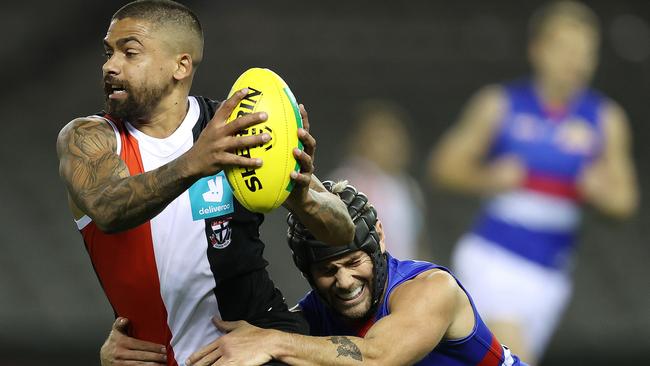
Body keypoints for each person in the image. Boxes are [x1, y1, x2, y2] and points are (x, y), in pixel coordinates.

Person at [55, 1, 354, 365]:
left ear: (180, 66)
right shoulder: (89, 138)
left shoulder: (235, 130)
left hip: (257, 345)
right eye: (108, 52)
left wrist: (300, 192)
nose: (110, 66)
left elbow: (341, 231)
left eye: (129, 52)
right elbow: (108, 208)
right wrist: (195, 163)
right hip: (154, 356)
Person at [427, 1, 639, 364]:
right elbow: (442, 167)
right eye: (566, 49)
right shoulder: (500, 104)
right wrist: (489, 177)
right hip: (496, 258)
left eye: (587, 52)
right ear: (538, 50)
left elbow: (625, 202)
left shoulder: (605, 119)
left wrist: (599, 191)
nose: (577, 62)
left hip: (550, 275)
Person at [183, 181, 525, 366]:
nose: (344, 282)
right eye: (327, 270)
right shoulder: (309, 320)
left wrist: (272, 340)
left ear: (379, 237)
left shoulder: (432, 289)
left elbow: (377, 358)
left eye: (353, 263)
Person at [329, 100, 426, 260]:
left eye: (396, 137)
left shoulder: (407, 187)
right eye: (382, 138)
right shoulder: (344, 184)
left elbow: (417, 245)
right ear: (361, 140)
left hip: (404, 278)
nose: (392, 145)